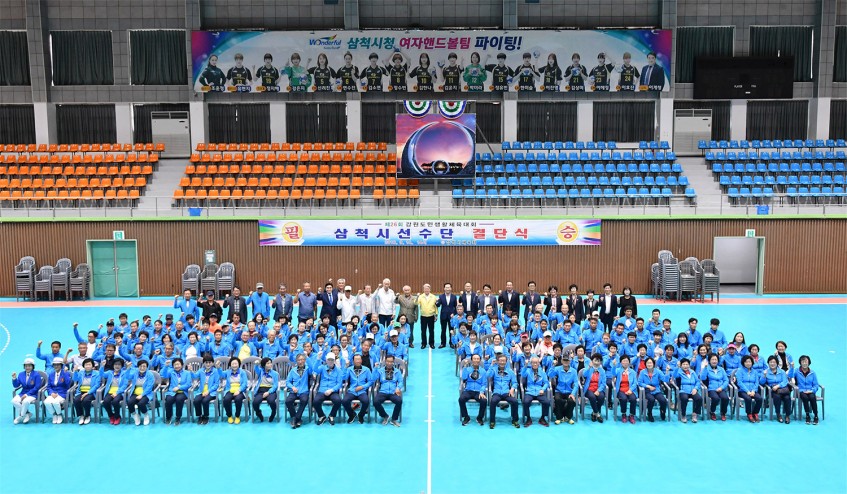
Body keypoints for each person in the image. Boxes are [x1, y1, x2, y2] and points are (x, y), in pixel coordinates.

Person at [122, 359, 155, 426]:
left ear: (147, 367)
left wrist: (142, 395)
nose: (142, 368)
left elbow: (149, 387)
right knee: (129, 402)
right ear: (138, 367)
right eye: (140, 366)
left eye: (144, 366)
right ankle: (135, 415)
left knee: (141, 403)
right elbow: (127, 377)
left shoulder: (150, 375)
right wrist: (128, 369)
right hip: (135, 393)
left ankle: (146, 415)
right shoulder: (135, 372)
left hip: (146, 394)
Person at [313, 353, 344, 425]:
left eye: (332, 360)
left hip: (333, 391)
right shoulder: (322, 368)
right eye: (329, 360)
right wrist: (318, 359)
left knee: (338, 401)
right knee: (315, 401)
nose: (330, 361)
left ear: (334, 361)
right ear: (326, 360)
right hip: (322, 390)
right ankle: (321, 416)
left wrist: (331, 390)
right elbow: (315, 370)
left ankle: (332, 415)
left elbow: (339, 384)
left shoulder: (339, 371)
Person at [373, 355, 403, 426]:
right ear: (385, 362)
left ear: (393, 362)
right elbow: (373, 379)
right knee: (375, 402)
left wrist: (398, 388)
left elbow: (401, 382)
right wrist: (375, 369)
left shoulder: (397, 371)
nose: (389, 363)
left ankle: (394, 419)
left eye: (391, 362)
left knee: (399, 401)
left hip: (393, 392)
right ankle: (385, 416)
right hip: (383, 392)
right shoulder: (380, 371)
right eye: (388, 361)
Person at [11, 357, 43, 424]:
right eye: (26, 366)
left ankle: (21, 416)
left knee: (25, 401)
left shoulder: (36, 374)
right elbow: (16, 385)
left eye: (29, 366)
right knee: (14, 401)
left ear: (32, 366)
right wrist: (14, 379)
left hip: (33, 394)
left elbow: (37, 387)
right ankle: (27, 414)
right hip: (23, 393)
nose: (27, 367)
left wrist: (27, 394)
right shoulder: (21, 374)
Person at [342, 354, 372, 424]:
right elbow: (344, 378)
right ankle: (351, 414)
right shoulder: (349, 369)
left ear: (361, 360)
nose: (357, 361)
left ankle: (361, 415)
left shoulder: (366, 369)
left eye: (359, 359)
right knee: (344, 401)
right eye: (356, 359)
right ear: (353, 361)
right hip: (352, 390)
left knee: (366, 401)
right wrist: (345, 367)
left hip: (362, 391)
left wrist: (362, 387)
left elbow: (370, 381)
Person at [459, 354, 487, 426]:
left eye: (478, 359)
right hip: (468, 390)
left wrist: (482, 392)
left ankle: (480, 417)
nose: (476, 360)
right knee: (461, 399)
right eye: (474, 359)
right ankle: (466, 417)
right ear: (471, 360)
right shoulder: (468, 369)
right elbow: (464, 378)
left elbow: (484, 384)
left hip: (478, 391)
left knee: (484, 400)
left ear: (480, 360)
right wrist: (465, 367)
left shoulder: (483, 371)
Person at [734, 355, 764, 422]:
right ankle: (749, 414)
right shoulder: (739, 371)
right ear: (743, 363)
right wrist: (747, 391)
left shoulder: (755, 372)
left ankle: (755, 413)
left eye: (749, 362)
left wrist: (753, 391)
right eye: (746, 362)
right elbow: (739, 382)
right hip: (742, 391)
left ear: (752, 363)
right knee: (748, 399)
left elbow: (756, 382)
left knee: (759, 399)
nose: (748, 363)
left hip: (753, 391)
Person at [700, 353, 729, 421]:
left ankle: (723, 413)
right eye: (712, 359)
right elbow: (703, 378)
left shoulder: (721, 369)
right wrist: (705, 368)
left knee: (725, 398)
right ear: (709, 361)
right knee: (716, 398)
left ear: (718, 361)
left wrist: (722, 387)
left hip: (721, 388)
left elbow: (726, 380)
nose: (714, 361)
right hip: (711, 389)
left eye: (715, 359)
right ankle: (712, 411)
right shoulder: (707, 368)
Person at [43, 357, 72, 424]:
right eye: (55, 365)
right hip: (53, 394)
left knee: (55, 402)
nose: (56, 366)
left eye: (58, 364)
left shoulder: (66, 373)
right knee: (46, 402)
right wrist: (51, 393)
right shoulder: (51, 374)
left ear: (61, 365)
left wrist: (65, 373)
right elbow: (49, 386)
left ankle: (59, 414)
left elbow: (68, 384)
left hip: (62, 394)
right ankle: (54, 414)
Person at [284, 353, 310, 428]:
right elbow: (287, 382)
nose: (300, 361)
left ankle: (295, 419)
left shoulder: (308, 369)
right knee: (288, 401)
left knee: (304, 400)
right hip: (294, 391)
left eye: (302, 360)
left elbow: (313, 369)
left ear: (304, 360)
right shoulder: (293, 370)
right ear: (296, 361)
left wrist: (307, 357)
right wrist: (292, 387)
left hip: (304, 391)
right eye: (298, 360)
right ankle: (296, 418)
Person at [764, 355, 792, 423]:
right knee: (777, 397)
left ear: (777, 363)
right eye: (771, 362)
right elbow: (762, 382)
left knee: (787, 398)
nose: (772, 364)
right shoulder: (766, 372)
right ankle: (778, 414)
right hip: (773, 390)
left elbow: (785, 381)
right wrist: (764, 376)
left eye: (774, 362)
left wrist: (778, 386)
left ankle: (787, 415)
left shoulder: (782, 371)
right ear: (768, 363)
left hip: (783, 389)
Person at [638, 357, 668, 422]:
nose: (649, 364)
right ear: (645, 364)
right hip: (647, 390)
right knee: (651, 399)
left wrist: (667, 372)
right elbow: (639, 382)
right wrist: (648, 386)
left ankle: (662, 411)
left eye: (651, 363)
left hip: (656, 390)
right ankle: (649, 413)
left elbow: (665, 379)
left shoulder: (658, 371)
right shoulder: (642, 372)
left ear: (653, 364)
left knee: (663, 400)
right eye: (648, 363)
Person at [163, 358, 191, 425]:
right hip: (172, 391)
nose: (176, 366)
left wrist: (179, 387)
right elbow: (164, 375)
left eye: (178, 364)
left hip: (183, 391)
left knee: (179, 399)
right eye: (175, 365)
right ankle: (168, 417)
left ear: (182, 365)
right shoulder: (171, 372)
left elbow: (188, 384)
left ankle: (178, 417)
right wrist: (166, 366)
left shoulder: (187, 373)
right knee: (168, 400)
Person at [551, 356, 578, 425]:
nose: (566, 362)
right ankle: (559, 417)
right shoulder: (557, 369)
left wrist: (573, 393)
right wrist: (553, 366)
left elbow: (576, 384)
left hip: (569, 391)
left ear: (570, 361)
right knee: (557, 399)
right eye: (564, 360)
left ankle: (568, 417)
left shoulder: (574, 371)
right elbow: (550, 375)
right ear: (562, 361)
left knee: (571, 401)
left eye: (567, 360)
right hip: (559, 390)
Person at [252, 357, 279, 423]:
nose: (270, 365)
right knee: (255, 402)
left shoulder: (275, 373)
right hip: (261, 390)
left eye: (270, 363)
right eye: (268, 363)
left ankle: (273, 413)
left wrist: (268, 392)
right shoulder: (260, 371)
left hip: (271, 390)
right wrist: (256, 364)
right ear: (264, 365)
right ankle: (259, 413)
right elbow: (256, 368)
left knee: (271, 401)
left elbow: (275, 385)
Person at [674, 358, 702, 423]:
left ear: (689, 365)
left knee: (699, 399)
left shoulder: (692, 372)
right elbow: (675, 375)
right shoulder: (679, 372)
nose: (685, 366)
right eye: (683, 364)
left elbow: (698, 381)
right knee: (684, 398)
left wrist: (695, 388)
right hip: (683, 390)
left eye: (687, 364)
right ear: (681, 365)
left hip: (693, 390)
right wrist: (677, 367)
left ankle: (695, 413)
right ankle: (683, 414)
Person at [222, 357, 248, 424]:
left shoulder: (242, 372)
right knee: (226, 399)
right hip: (230, 390)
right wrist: (218, 368)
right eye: (232, 364)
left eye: (236, 363)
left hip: (240, 390)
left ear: (239, 364)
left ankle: (237, 416)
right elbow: (221, 374)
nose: (234, 365)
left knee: (238, 399)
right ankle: (229, 416)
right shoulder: (228, 372)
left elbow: (245, 383)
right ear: (230, 365)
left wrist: (239, 390)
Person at [795, 355, 819, 425]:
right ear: (800, 363)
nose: (804, 363)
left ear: (809, 363)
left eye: (806, 362)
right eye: (803, 362)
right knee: (805, 397)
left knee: (812, 397)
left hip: (810, 390)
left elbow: (816, 385)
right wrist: (791, 367)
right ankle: (807, 415)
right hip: (801, 391)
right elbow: (790, 376)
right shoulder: (796, 371)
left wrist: (812, 390)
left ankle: (816, 416)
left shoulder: (813, 373)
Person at [101, 358, 126, 425]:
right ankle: (111, 416)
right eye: (115, 364)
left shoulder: (124, 373)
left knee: (115, 401)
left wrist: (117, 393)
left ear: (122, 366)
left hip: (119, 392)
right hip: (110, 391)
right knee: (105, 401)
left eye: (119, 364)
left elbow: (124, 385)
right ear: (113, 365)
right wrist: (102, 366)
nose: (117, 366)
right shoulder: (110, 372)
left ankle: (117, 417)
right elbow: (102, 374)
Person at [583, 354, 607, 422]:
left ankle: (594, 413)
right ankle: (598, 414)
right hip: (589, 388)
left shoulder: (602, 371)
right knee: (592, 397)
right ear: (592, 361)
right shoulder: (589, 368)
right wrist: (589, 367)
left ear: (600, 362)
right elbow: (584, 375)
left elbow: (603, 383)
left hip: (598, 389)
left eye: (598, 361)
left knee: (601, 397)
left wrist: (598, 390)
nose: (596, 362)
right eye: (595, 360)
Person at [615, 355, 638, 423]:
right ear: (621, 362)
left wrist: (630, 390)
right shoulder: (618, 370)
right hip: (621, 390)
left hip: (630, 390)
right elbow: (613, 373)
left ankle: (631, 415)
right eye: (623, 361)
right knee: (623, 399)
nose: (625, 362)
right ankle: (624, 414)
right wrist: (614, 365)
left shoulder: (632, 372)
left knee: (633, 399)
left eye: (627, 361)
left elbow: (635, 383)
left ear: (629, 362)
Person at [436, 283, 457, 349]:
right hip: (443, 316)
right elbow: (438, 305)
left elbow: (456, 307)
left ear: (451, 288)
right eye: (446, 287)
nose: (447, 289)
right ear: (444, 288)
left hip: (451, 316)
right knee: (443, 330)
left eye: (449, 287)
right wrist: (436, 302)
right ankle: (443, 343)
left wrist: (454, 313)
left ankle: (451, 343)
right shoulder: (441, 296)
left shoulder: (454, 297)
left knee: (451, 330)